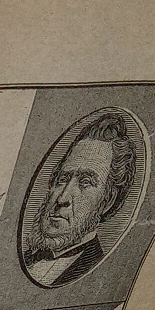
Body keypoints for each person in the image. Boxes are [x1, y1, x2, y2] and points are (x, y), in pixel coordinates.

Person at [22, 111, 140, 288]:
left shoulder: (97, 273)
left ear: (108, 200)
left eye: (85, 182)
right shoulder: (26, 259)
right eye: (63, 179)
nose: (62, 198)